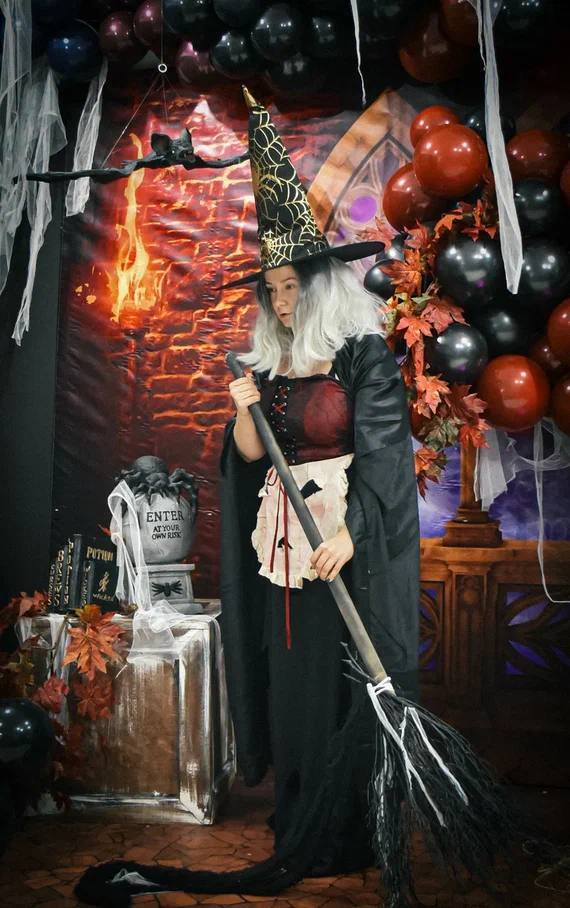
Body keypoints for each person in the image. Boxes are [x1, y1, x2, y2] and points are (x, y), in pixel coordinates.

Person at [219, 89, 421, 876]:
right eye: (269, 289)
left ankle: (348, 826)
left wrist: (349, 534)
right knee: (294, 673)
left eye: (290, 286)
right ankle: (299, 811)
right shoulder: (269, 367)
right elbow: (249, 456)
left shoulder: (362, 358)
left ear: (322, 284)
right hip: (283, 542)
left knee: (345, 677)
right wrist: (243, 406)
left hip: (345, 543)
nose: (279, 299)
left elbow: (385, 457)